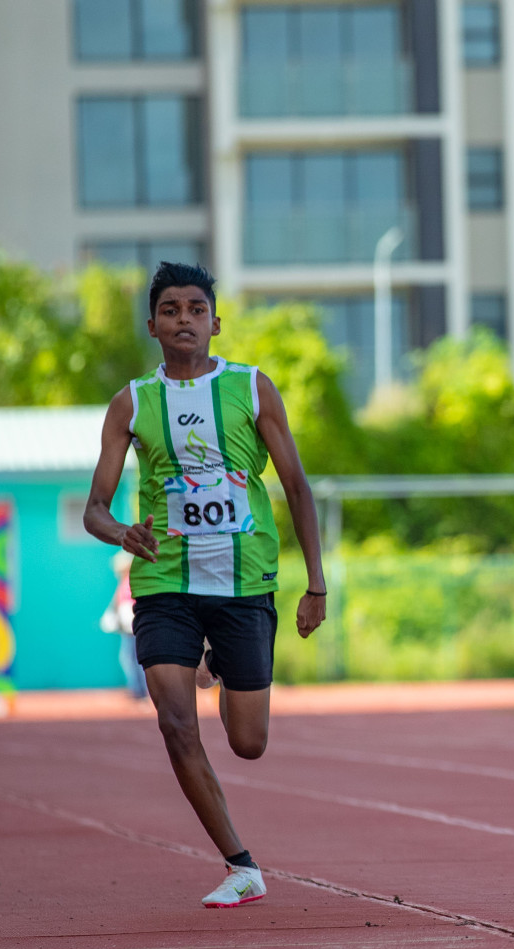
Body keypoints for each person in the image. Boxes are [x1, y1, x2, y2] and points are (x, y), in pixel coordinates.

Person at [83, 262, 326, 909]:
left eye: (196, 309)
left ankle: (216, 662)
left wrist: (317, 585)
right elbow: (95, 509)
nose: (184, 319)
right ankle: (240, 863)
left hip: (245, 582)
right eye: (171, 310)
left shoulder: (252, 388)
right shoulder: (132, 404)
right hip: (164, 582)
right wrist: (122, 534)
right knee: (175, 723)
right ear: (153, 324)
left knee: (248, 744)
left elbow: (298, 487)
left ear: (216, 323)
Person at [99, 550, 146, 699]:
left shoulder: (132, 581)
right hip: (128, 627)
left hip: (133, 626)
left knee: (135, 659)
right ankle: (137, 690)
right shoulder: (124, 582)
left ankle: (141, 691)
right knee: (129, 658)